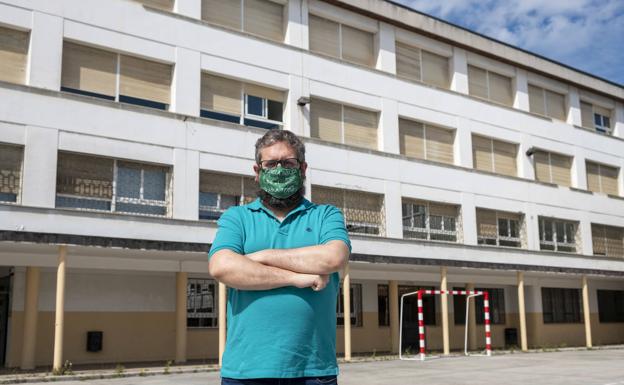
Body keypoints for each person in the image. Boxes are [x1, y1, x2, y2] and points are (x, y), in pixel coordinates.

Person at [208, 129, 351, 385]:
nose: (279, 170)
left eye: (288, 163)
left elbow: (333, 258)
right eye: (271, 164)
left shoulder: (326, 215)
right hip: (246, 370)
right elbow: (222, 267)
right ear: (257, 171)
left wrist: (261, 256)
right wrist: (296, 278)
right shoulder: (236, 217)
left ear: (303, 168)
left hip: (313, 371)